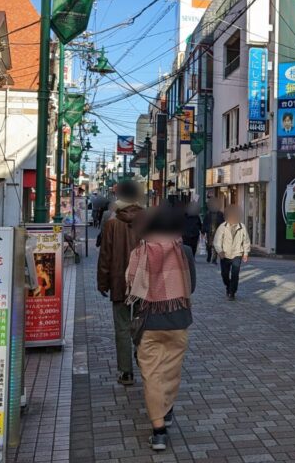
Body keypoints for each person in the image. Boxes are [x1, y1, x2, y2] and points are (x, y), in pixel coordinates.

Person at [125, 206, 196, 452]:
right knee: (170, 372)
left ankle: (158, 432)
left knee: (152, 375)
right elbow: (192, 286)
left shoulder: (140, 252)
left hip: (148, 323)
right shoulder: (184, 250)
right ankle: (166, 411)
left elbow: (132, 285)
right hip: (178, 321)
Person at [96, 181, 145, 386]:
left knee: (122, 327)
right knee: (144, 324)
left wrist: (102, 282)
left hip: (119, 282)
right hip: (145, 282)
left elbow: (105, 255)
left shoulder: (112, 223)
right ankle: (143, 357)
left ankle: (125, 372)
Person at [213, 205, 250, 301]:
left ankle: (232, 292)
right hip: (225, 254)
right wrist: (220, 251)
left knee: (235, 274)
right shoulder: (223, 227)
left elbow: (246, 241)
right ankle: (228, 286)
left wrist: (245, 253)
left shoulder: (242, 227)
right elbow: (217, 241)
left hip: (237, 254)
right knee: (224, 274)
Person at [203, 199, 225, 263]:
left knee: (216, 245)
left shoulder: (220, 214)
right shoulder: (208, 214)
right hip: (209, 232)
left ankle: (214, 259)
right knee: (209, 245)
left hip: (217, 232)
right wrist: (203, 231)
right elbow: (205, 223)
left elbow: (223, 222)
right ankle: (209, 255)